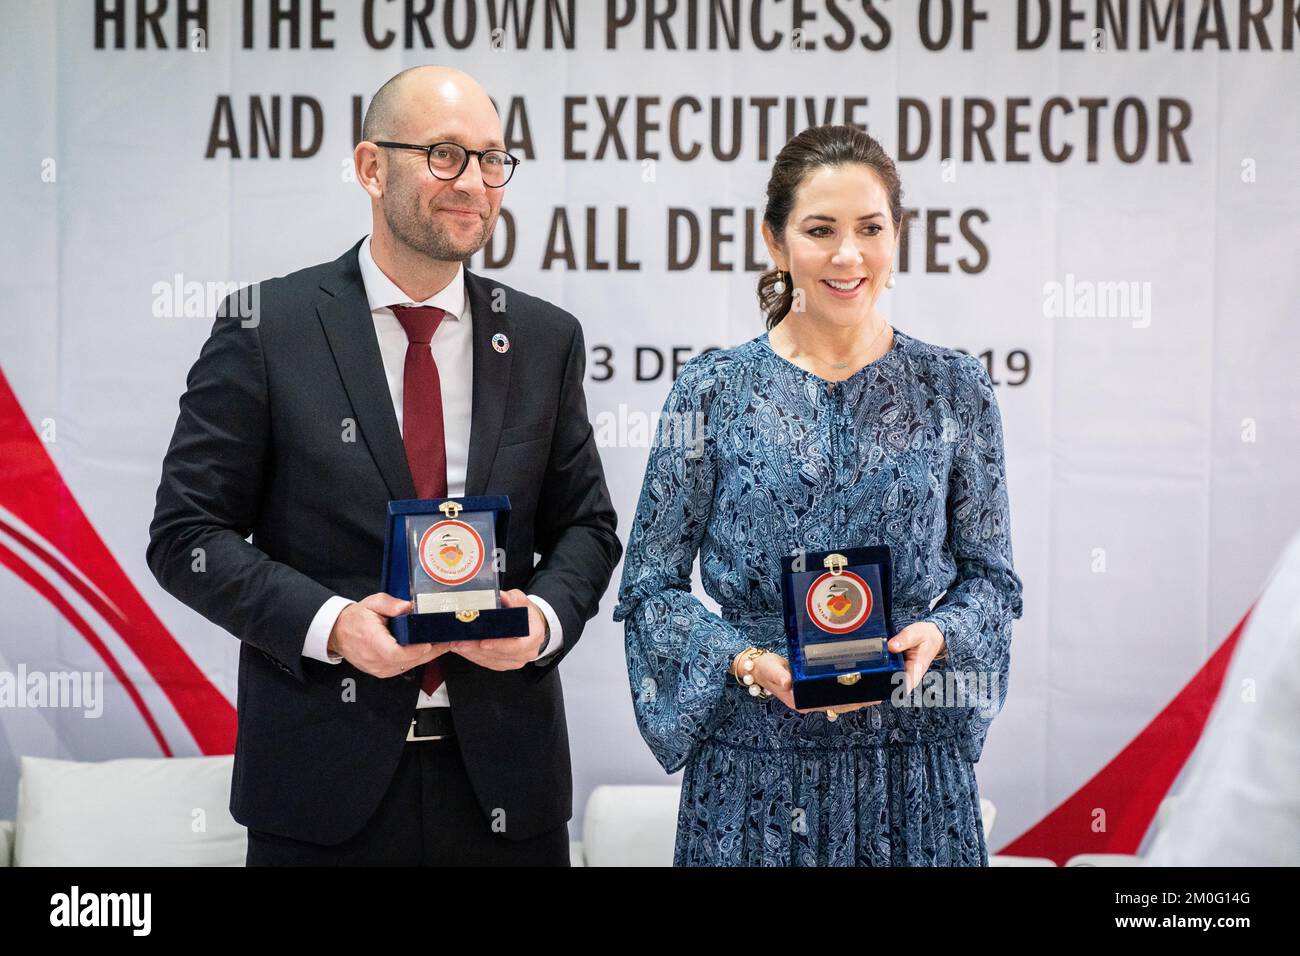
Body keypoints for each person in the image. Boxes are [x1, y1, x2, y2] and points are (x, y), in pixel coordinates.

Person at [147, 66, 621, 865]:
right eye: (445, 155)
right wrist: (335, 628)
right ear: (371, 167)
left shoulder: (544, 338)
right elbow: (187, 535)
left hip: (506, 785)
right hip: (321, 786)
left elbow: (587, 528)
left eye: (492, 159)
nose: (474, 182)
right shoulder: (270, 329)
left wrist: (538, 624)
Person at [615, 124, 1024, 866]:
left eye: (870, 228)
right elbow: (649, 589)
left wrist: (941, 636)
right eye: (819, 229)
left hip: (912, 772)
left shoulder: (956, 391)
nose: (847, 255)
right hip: (753, 773)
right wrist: (746, 663)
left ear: (898, 237)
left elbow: (992, 581)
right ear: (774, 242)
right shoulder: (710, 392)